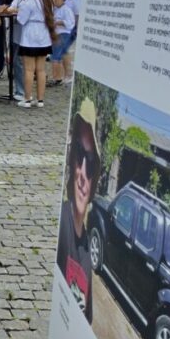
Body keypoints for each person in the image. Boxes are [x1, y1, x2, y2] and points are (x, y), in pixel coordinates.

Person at [56, 99, 100, 322]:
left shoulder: (86, 256)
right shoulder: (60, 222)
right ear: (72, 160)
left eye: (90, 163)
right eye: (80, 155)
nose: (83, 172)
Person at [13, 0, 56, 108]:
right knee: (41, 69)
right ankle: (40, 99)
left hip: (30, 34)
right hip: (43, 35)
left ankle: (27, 99)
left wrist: (17, 12)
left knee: (29, 70)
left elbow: (21, 19)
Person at [2, 0, 31, 101]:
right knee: (16, 62)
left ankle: (23, 91)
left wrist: (16, 10)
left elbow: (25, 11)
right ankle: (19, 89)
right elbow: (10, 9)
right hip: (16, 32)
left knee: (21, 63)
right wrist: (15, 10)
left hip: (26, 34)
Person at [49, 0, 76, 86]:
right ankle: (61, 76)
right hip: (56, 33)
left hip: (63, 33)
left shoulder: (66, 10)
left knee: (56, 55)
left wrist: (60, 22)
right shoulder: (55, 9)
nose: (55, 1)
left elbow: (71, 24)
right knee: (59, 54)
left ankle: (57, 77)